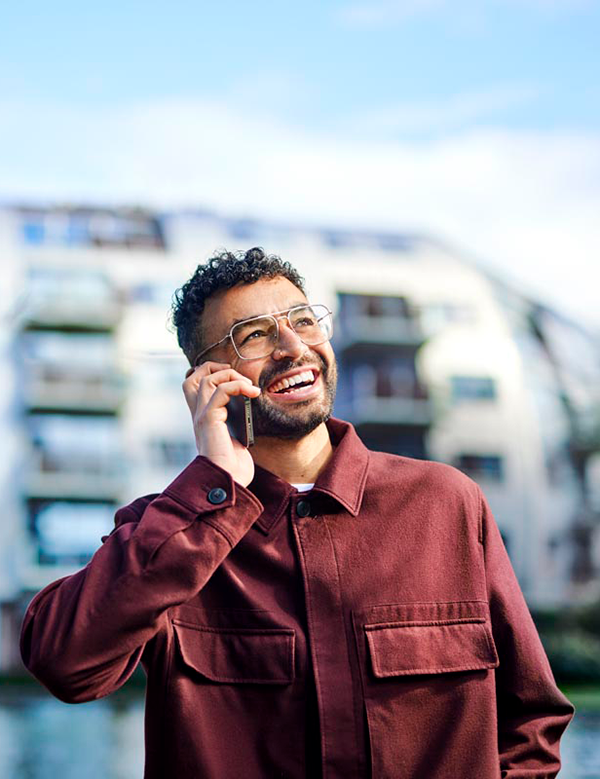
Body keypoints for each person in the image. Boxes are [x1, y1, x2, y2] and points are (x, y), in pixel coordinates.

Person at [21, 247, 574, 778]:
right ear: (205, 379)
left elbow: (531, 723)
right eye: (255, 335)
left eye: (304, 321)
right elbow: (65, 663)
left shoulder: (447, 504)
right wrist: (211, 489)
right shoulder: (168, 533)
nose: (293, 346)